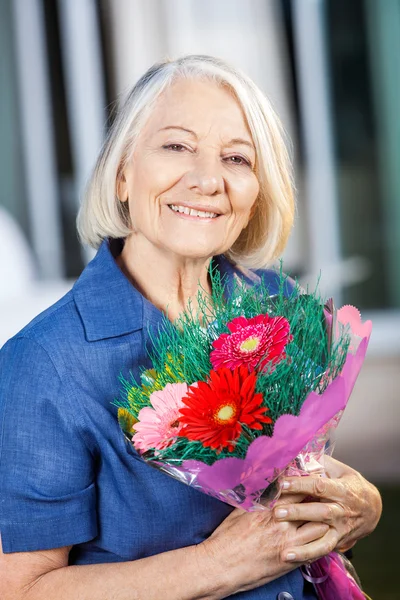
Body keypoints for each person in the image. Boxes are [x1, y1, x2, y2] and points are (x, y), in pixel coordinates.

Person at [0, 55, 381, 600]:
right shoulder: (45, 363)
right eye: (176, 146)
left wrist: (362, 501)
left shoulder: (276, 304)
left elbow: (295, 467)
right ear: (124, 172)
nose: (207, 180)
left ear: (256, 193)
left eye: (236, 158)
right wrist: (216, 565)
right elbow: (21, 591)